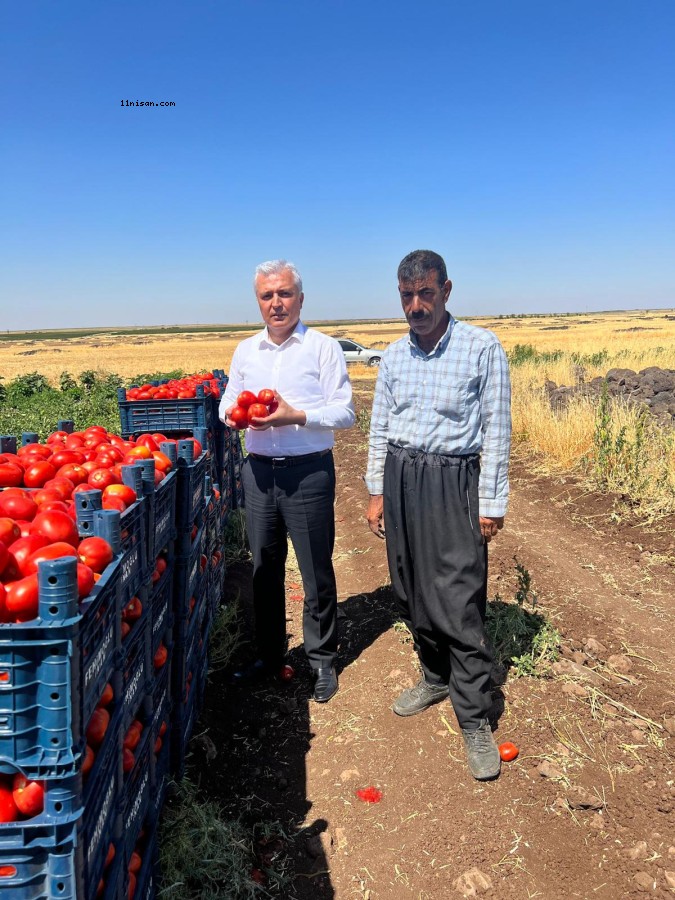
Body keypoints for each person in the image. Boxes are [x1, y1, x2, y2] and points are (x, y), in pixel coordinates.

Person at [365, 250, 511, 780]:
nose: (417, 305)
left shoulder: (480, 348)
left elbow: (496, 428)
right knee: (408, 586)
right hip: (403, 477)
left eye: (426, 293)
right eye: (407, 296)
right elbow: (380, 425)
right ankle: (434, 675)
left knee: (458, 593)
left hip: (454, 480)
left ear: (446, 290)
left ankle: (474, 715)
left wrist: (491, 503)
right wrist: (378, 489)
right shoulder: (394, 356)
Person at [220, 259, 355, 702]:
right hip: (258, 473)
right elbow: (226, 406)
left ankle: (321, 660)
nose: (276, 303)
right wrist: (236, 418)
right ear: (257, 302)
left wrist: (296, 415)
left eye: (284, 294)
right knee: (263, 568)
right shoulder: (245, 351)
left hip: (308, 471)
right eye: (267, 296)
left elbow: (345, 412)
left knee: (316, 569)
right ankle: (270, 655)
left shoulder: (322, 348)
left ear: (300, 297)